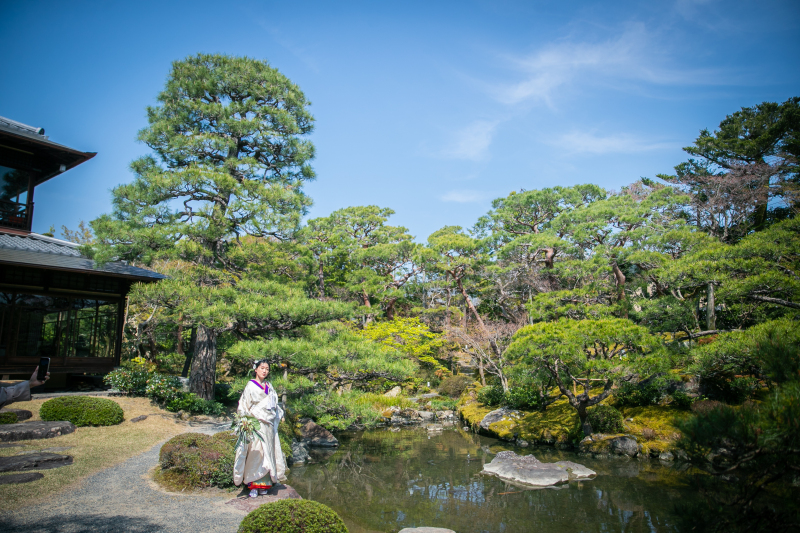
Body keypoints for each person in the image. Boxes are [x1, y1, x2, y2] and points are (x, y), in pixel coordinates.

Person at [233, 359, 287, 498]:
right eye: (262, 368)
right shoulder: (250, 385)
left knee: (268, 452)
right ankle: (253, 483)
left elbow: (274, 404)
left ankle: (265, 484)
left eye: (267, 369)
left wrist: (279, 414)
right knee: (256, 453)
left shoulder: (269, 386)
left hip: (268, 424)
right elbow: (244, 404)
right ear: (256, 369)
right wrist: (246, 421)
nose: (264, 371)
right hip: (256, 422)